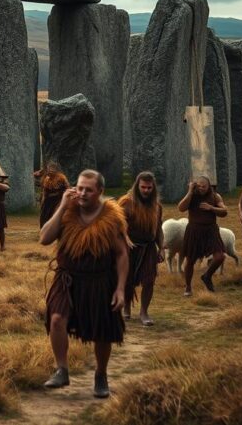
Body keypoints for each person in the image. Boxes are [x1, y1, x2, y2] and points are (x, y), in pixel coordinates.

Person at [40, 169, 128, 399]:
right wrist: (61, 207)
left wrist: (120, 288)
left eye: (89, 189)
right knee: (57, 319)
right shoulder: (67, 211)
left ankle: (101, 374)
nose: (82, 193)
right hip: (67, 278)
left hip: (99, 281)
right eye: (79, 187)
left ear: (100, 191)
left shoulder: (111, 218)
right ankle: (62, 369)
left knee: (102, 332)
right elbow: (44, 238)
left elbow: (121, 254)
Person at [117, 171, 163, 326]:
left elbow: (158, 229)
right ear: (137, 186)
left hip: (148, 247)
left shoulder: (156, 206)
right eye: (143, 187)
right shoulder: (126, 202)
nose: (146, 191)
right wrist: (126, 239)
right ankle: (126, 308)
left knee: (149, 280)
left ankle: (144, 312)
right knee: (127, 279)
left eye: (149, 188)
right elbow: (118, 224)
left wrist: (161, 248)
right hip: (129, 247)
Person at [177, 176, 227, 295]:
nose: (201, 188)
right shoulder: (192, 195)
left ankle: (207, 276)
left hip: (211, 230)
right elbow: (181, 208)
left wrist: (211, 208)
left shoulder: (215, 196)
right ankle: (188, 287)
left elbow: (224, 211)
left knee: (220, 256)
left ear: (209, 186)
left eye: (204, 186)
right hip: (194, 230)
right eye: (198, 186)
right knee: (190, 260)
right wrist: (189, 191)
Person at [35, 162, 69, 227]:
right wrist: (43, 200)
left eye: (52, 169)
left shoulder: (61, 177)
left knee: (57, 214)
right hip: (48, 201)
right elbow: (45, 191)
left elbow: (67, 188)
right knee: (44, 216)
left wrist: (62, 196)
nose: (50, 170)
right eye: (49, 169)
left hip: (58, 200)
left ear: (56, 170)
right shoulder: (47, 179)